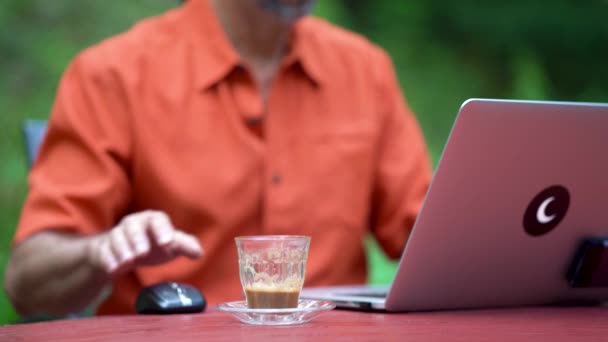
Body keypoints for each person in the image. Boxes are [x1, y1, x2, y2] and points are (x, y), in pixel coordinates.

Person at [4, 0, 432, 316]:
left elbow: (429, 236)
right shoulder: (112, 75)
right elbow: (27, 285)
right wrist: (100, 250)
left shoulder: (366, 71)